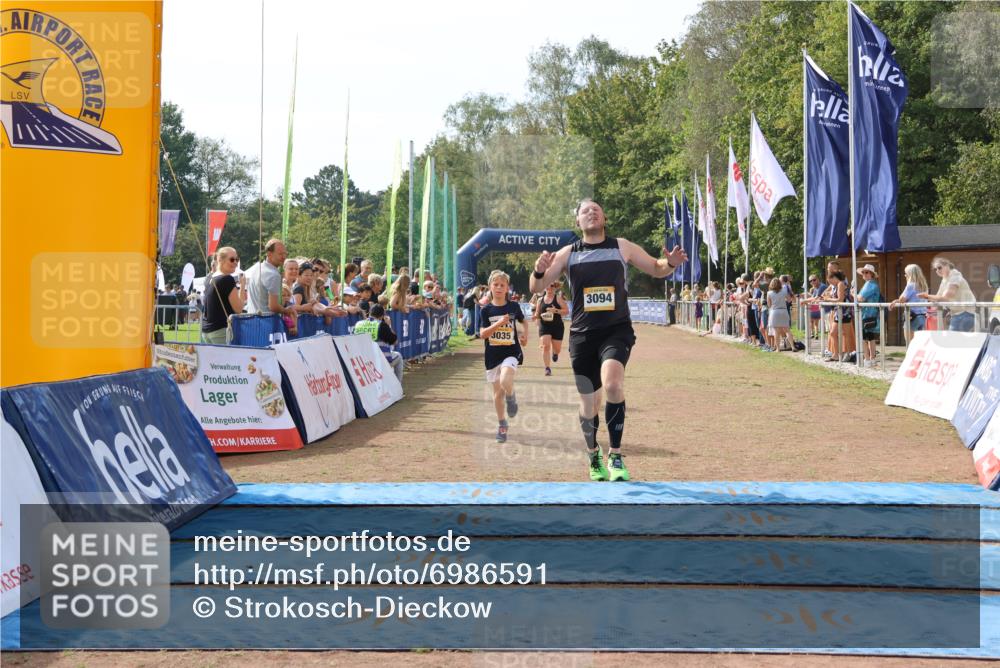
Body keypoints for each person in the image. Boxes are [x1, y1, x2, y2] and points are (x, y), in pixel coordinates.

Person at [529, 198, 687, 482]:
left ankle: (615, 454)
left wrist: (671, 263)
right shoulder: (568, 253)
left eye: (597, 210)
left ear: (604, 219)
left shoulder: (621, 246)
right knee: (589, 404)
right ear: (577, 222)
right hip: (582, 336)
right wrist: (539, 270)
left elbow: (655, 266)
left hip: (616, 330)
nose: (592, 213)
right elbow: (537, 286)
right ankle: (593, 454)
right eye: (585, 211)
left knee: (613, 385)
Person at [479, 270, 527, 444]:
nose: (499, 288)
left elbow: (523, 321)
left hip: (511, 352)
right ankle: (502, 425)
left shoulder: (513, 307)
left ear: (507, 288)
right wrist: (499, 323)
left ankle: (511, 396)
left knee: (506, 380)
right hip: (492, 355)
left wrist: (525, 335)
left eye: (502, 285)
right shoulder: (486, 310)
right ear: (490, 287)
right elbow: (483, 334)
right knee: (497, 394)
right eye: (496, 284)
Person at [919, 257, 977, 332]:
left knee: (953, 340)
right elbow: (937, 297)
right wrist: (929, 309)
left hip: (966, 312)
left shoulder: (955, 276)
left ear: (947, 265)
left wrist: (927, 296)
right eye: (935, 269)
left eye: (939, 268)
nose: (937, 271)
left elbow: (947, 296)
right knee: (957, 340)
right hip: (958, 314)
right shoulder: (945, 279)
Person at [201, 247, 246, 344]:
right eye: (232, 259)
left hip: (207, 331)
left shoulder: (210, 278)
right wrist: (242, 286)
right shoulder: (227, 279)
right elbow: (239, 309)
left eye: (237, 259)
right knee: (229, 359)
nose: (235, 263)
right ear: (220, 260)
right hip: (220, 331)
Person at [244, 239, 295, 320]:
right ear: (269, 254)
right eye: (280, 254)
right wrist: (287, 311)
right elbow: (273, 306)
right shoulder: (274, 275)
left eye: (285, 253)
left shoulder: (257, 268)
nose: (284, 257)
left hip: (252, 321)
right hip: (266, 323)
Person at [354, 304, 404, 385]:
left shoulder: (358, 324)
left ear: (369, 313)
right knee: (399, 356)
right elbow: (395, 342)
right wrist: (389, 325)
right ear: (382, 316)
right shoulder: (382, 325)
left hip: (361, 360)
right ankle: (398, 386)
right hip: (379, 360)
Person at [534, 281, 569, 376]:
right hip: (544, 326)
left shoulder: (558, 299)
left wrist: (556, 310)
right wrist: (535, 317)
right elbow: (537, 314)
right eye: (547, 286)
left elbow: (566, 311)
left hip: (557, 326)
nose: (549, 288)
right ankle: (547, 368)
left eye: (552, 286)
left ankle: (555, 353)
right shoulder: (540, 300)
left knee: (557, 349)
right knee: (545, 346)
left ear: (555, 287)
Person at [889, 264, 929, 343]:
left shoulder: (911, 285)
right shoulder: (924, 285)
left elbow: (902, 299)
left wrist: (897, 300)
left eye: (906, 273)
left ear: (910, 274)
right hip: (923, 316)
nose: (905, 275)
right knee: (919, 342)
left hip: (912, 317)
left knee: (909, 343)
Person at [855, 264, 883, 367]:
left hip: (867, 314)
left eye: (866, 272)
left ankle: (867, 359)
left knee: (863, 337)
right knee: (870, 337)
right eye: (863, 272)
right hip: (870, 313)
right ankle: (872, 359)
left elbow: (860, 298)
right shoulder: (871, 284)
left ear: (871, 274)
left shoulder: (870, 284)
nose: (864, 274)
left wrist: (854, 294)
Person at [766, 277, 794, 352]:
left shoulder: (769, 293)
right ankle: (793, 346)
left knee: (776, 332)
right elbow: (789, 300)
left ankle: (778, 348)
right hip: (783, 311)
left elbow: (769, 305)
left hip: (774, 312)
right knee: (787, 330)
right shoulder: (784, 291)